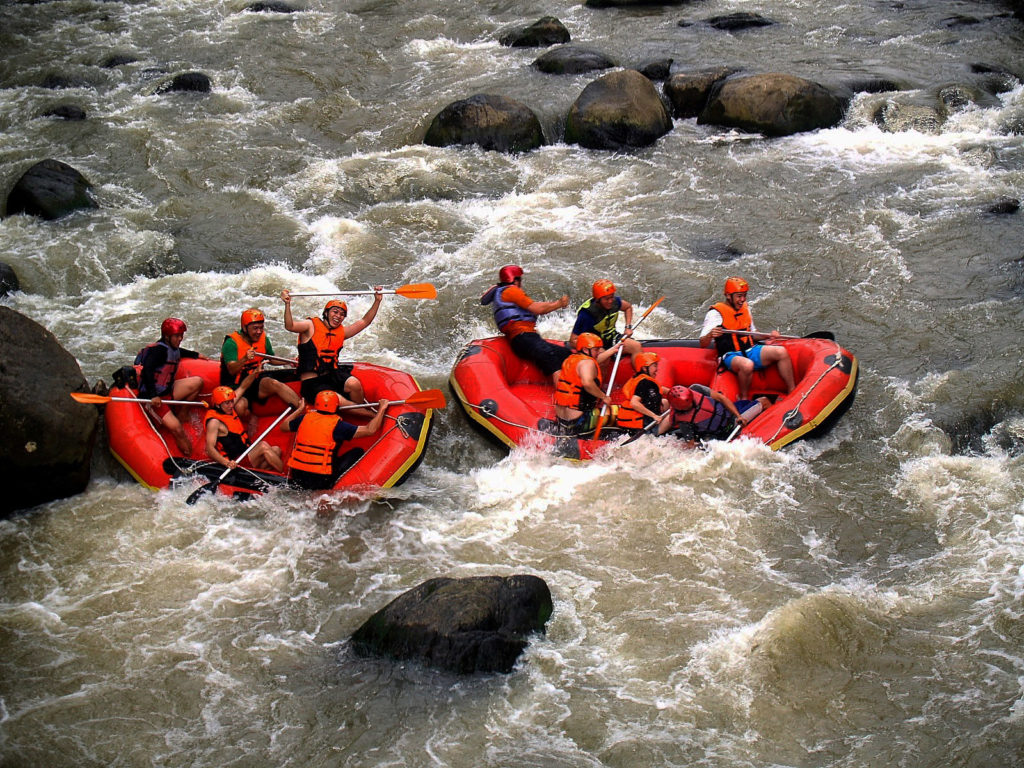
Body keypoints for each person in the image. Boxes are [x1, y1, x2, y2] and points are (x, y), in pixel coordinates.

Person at [280, 288, 382, 412]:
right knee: (335, 399)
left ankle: (358, 413)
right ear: (326, 313)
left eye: (342, 314)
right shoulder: (310, 325)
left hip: (331, 375)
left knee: (354, 384)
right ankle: (370, 415)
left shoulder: (342, 332)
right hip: (312, 382)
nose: (338, 316)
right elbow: (290, 326)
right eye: (335, 312)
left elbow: (365, 321)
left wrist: (377, 301)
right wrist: (287, 304)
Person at [699, 276, 796, 401]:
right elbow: (702, 343)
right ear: (729, 296)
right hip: (729, 355)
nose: (742, 299)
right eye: (739, 296)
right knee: (747, 365)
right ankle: (744, 398)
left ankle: (792, 391)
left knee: (780, 352)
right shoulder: (715, 314)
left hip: (750, 349)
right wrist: (710, 335)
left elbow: (753, 334)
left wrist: (769, 336)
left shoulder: (745, 308)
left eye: (744, 295)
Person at [480, 264, 572, 384]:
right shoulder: (512, 291)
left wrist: (555, 304)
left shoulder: (501, 292)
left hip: (522, 339)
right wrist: (558, 304)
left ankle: (574, 386)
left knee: (566, 354)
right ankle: (564, 399)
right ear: (515, 279)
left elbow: (534, 306)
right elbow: (537, 308)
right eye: (520, 279)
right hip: (524, 337)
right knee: (551, 359)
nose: (521, 283)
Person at [281, 390, 391, 490]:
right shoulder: (339, 426)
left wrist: (300, 410)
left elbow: (284, 426)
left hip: (297, 476)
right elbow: (370, 430)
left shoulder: (303, 418)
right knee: (357, 451)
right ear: (336, 406)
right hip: (321, 481)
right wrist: (382, 409)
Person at [135, 317, 204, 455]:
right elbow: (147, 370)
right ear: (167, 336)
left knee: (198, 382)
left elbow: (181, 352)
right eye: (177, 336)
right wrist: (153, 395)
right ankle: (188, 456)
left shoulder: (172, 347)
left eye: (181, 336)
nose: (180, 339)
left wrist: (196, 355)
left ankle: (182, 414)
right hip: (152, 398)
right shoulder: (158, 351)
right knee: (178, 429)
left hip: (167, 390)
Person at [220, 307, 301, 423]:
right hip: (236, 384)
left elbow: (271, 358)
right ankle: (251, 419)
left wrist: (290, 361)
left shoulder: (263, 338)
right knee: (239, 407)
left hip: (255, 379)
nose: (259, 332)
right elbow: (232, 370)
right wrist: (244, 358)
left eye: (261, 328)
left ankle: (302, 410)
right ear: (245, 328)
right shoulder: (231, 343)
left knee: (272, 383)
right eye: (255, 328)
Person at [203, 381, 284, 473]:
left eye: (231, 401)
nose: (231, 405)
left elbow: (242, 387)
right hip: (236, 461)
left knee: (276, 450)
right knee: (263, 446)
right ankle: (287, 479)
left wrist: (255, 373)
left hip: (245, 453)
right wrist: (227, 463)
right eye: (227, 403)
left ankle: (253, 476)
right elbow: (210, 449)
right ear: (218, 404)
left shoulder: (227, 409)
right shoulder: (214, 422)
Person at [553, 332, 622, 437]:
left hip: (562, 419)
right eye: (596, 349)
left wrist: (614, 349)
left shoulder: (571, 359)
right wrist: (604, 397)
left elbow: (594, 361)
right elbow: (587, 383)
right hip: (579, 421)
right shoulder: (587, 363)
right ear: (586, 350)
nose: (599, 351)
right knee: (624, 413)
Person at [569, 279, 643, 370]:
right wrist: (590, 349)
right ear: (598, 300)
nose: (610, 301)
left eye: (612, 297)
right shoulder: (587, 314)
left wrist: (628, 327)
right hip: (594, 344)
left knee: (636, 346)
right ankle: (597, 383)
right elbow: (573, 341)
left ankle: (642, 378)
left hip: (611, 338)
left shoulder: (615, 302)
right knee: (605, 357)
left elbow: (628, 307)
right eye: (606, 299)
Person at [665, 383, 770, 447]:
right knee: (764, 401)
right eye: (688, 405)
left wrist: (738, 416)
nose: (692, 404)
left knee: (762, 400)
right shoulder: (684, 422)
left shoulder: (696, 389)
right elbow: (691, 444)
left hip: (733, 415)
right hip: (725, 431)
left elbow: (721, 398)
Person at [615, 351, 670, 436]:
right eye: (655, 366)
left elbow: (657, 389)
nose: (657, 369)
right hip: (642, 427)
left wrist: (671, 392)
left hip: (636, 422)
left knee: (665, 402)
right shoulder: (644, 383)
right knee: (673, 415)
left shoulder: (640, 378)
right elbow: (634, 403)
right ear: (645, 368)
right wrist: (654, 416)